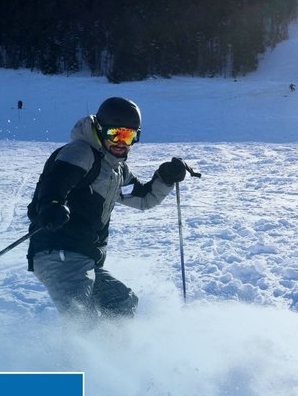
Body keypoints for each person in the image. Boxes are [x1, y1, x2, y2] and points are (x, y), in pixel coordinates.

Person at [26, 97, 188, 319]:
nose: (122, 142)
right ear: (100, 130)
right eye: (116, 134)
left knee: (122, 303)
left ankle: (116, 352)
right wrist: (52, 204)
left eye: (129, 136)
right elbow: (56, 182)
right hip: (58, 252)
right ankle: (74, 355)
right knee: (83, 322)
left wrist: (166, 178)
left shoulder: (116, 171)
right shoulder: (80, 152)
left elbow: (144, 198)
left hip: (84, 258)